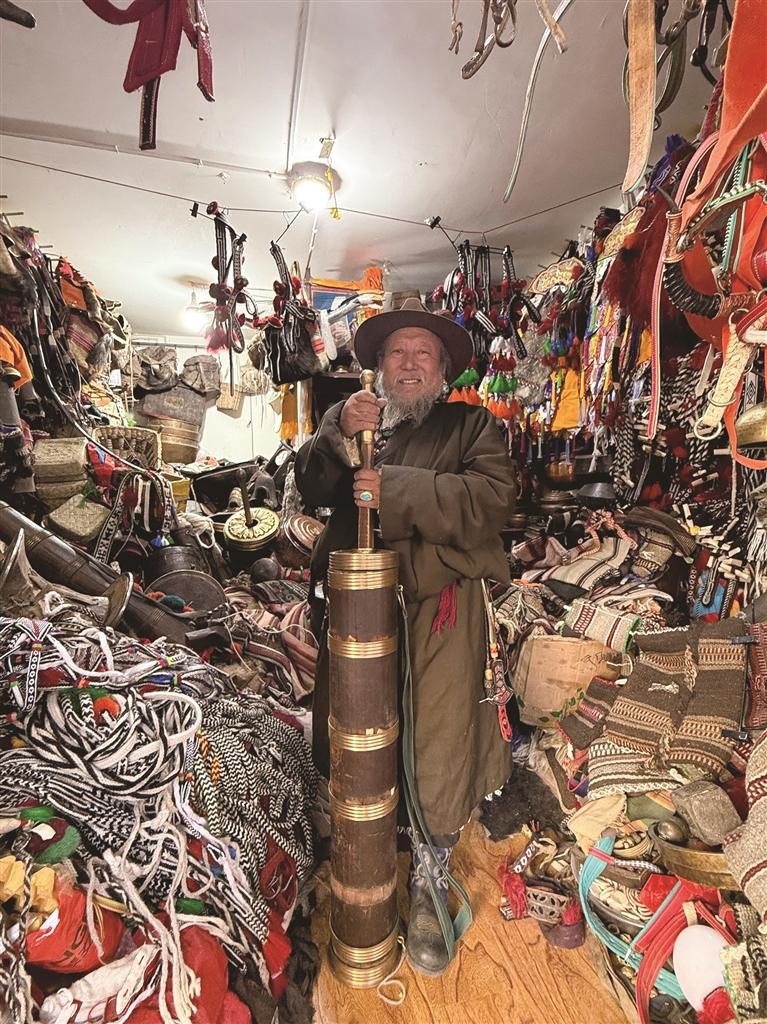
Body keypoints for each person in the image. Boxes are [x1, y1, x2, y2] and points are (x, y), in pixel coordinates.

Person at [295, 298, 515, 975]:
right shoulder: (360, 424)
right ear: (380, 367)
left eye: (424, 352)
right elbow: (311, 488)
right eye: (397, 352)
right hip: (358, 610)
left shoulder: (471, 426)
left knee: (436, 742)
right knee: (357, 732)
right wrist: (334, 432)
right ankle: (361, 857)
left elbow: (491, 503)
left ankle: (426, 876)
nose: (410, 363)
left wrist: (392, 488)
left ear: (443, 368)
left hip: (436, 609)